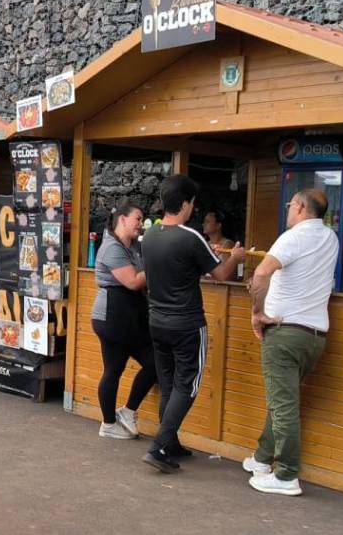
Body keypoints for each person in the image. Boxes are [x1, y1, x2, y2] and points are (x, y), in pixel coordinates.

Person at [140, 174, 245, 473]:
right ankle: (159, 446)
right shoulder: (190, 237)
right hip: (187, 325)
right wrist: (236, 256)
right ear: (185, 204)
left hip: (156, 321)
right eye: (192, 204)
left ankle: (169, 442)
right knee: (187, 384)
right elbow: (221, 275)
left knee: (170, 383)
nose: (193, 209)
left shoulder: (150, 236)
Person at [242, 188, 338, 496]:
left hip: (285, 333)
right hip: (315, 336)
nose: (287, 210)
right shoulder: (330, 238)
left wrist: (257, 312)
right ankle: (260, 459)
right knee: (281, 401)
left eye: (289, 205)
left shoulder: (292, 237)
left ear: (298, 207)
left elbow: (261, 273)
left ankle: (285, 476)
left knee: (283, 406)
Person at [91, 203, 156, 440]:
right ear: (122, 219)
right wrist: (160, 264)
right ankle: (109, 424)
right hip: (112, 317)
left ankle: (126, 412)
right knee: (113, 370)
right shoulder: (111, 248)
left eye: (142, 219)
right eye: (137, 219)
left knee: (156, 363)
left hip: (132, 318)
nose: (141, 224)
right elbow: (133, 282)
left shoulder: (135, 247)